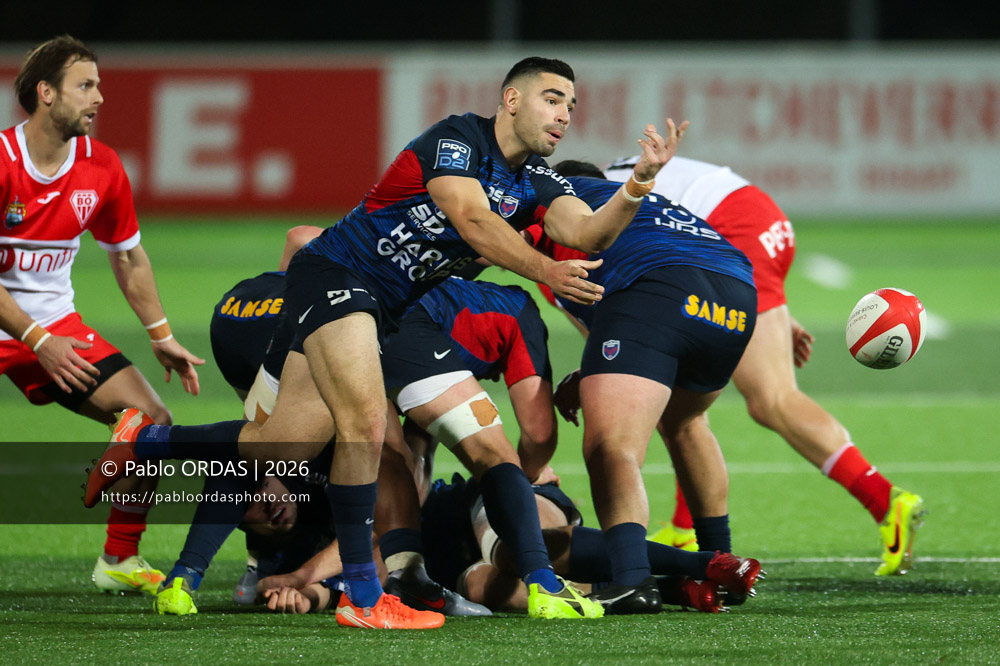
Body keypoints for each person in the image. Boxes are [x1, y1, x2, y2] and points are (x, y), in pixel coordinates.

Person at [85, 57, 686, 626]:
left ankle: (150, 438)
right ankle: (366, 598)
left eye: (572, 106)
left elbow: (585, 233)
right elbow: (470, 219)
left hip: (385, 310)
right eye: (552, 99)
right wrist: (546, 270)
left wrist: (636, 184)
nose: (564, 114)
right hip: (339, 275)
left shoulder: (537, 180)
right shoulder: (457, 140)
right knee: (368, 426)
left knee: (278, 445)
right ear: (511, 100)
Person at [602, 154, 926, 577]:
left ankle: (885, 502)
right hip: (751, 219)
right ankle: (684, 527)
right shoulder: (599, 179)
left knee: (768, 400)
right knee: (682, 404)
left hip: (732, 232)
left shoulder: (569, 218)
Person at [0, 35, 204, 595]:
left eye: (100, 85)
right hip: (28, 328)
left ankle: (119, 558)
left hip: (53, 327)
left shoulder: (101, 166)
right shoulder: (1, 162)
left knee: (154, 421)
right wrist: (39, 338)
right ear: (46, 93)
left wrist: (160, 335)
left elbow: (129, 255)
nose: (99, 98)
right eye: (85, 86)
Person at [522, 160, 765, 614]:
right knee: (686, 421)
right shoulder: (645, 206)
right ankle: (719, 557)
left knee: (611, 447)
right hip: (735, 296)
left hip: (659, 286)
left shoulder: (557, 199)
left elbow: (490, 243)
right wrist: (593, 372)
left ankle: (633, 579)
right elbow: (616, 333)